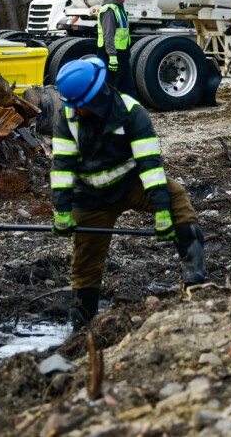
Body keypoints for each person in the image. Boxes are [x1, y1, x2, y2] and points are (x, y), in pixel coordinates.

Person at [50, 58, 205, 330]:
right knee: (85, 261)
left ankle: (194, 283)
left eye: (79, 104)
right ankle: (82, 325)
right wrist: (61, 210)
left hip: (132, 184)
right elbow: (62, 167)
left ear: (95, 97)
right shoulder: (67, 117)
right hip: (90, 195)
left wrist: (162, 211)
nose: (75, 109)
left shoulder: (133, 113)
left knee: (176, 196)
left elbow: (150, 165)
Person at [97, 0, 136, 96]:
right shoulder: (109, 10)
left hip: (122, 55)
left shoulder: (118, 7)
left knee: (128, 88)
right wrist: (112, 57)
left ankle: (130, 113)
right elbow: (108, 35)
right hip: (112, 57)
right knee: (110, 90)